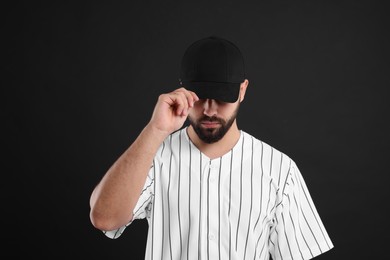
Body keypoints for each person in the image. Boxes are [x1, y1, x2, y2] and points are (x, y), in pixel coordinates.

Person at [89, 36, 334, 260]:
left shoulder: (279, 170)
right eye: (201, 96)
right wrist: (155, 130)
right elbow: (104, 219)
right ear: (182, 89)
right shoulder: (155, 155)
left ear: (242, 90)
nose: (209, 109)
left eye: (221, 97)